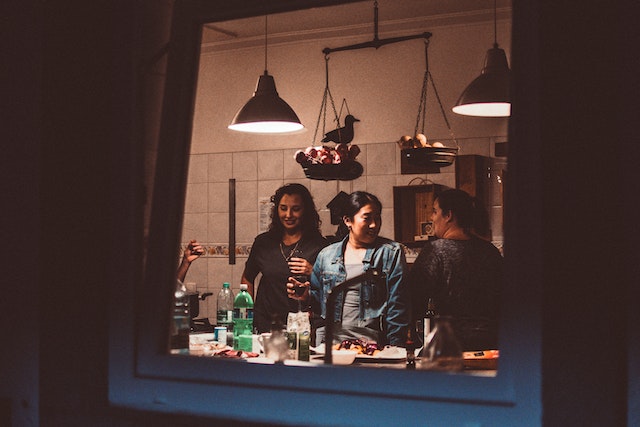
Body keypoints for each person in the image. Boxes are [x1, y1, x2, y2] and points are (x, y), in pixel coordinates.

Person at [290, 191, 410, 348]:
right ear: (348, 220)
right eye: (367, 218)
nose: (374, 225)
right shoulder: (327, 255)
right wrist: (306, 296)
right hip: (331, 346)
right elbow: (318, 305)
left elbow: (398, 306)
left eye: (377, 218)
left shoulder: (390, 253)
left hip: (372, 347)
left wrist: (396, 349)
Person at [408, 188, 503, 351]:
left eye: (435, 211)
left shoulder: (436, 250)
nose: (432, 217)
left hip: (451, 343)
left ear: (448, 215)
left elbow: (413, 298)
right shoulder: (490, 251)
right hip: (493, 342)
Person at [242, 183, 328, 333]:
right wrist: (248, 317)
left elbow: (332, 288)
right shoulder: (263, 243)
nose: (288, 215)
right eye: (283, 208)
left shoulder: (320, 245)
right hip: (266, 327)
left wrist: (313, 271)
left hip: (303, 327)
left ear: (305, 211)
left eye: (296, 209)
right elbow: (247, 278)